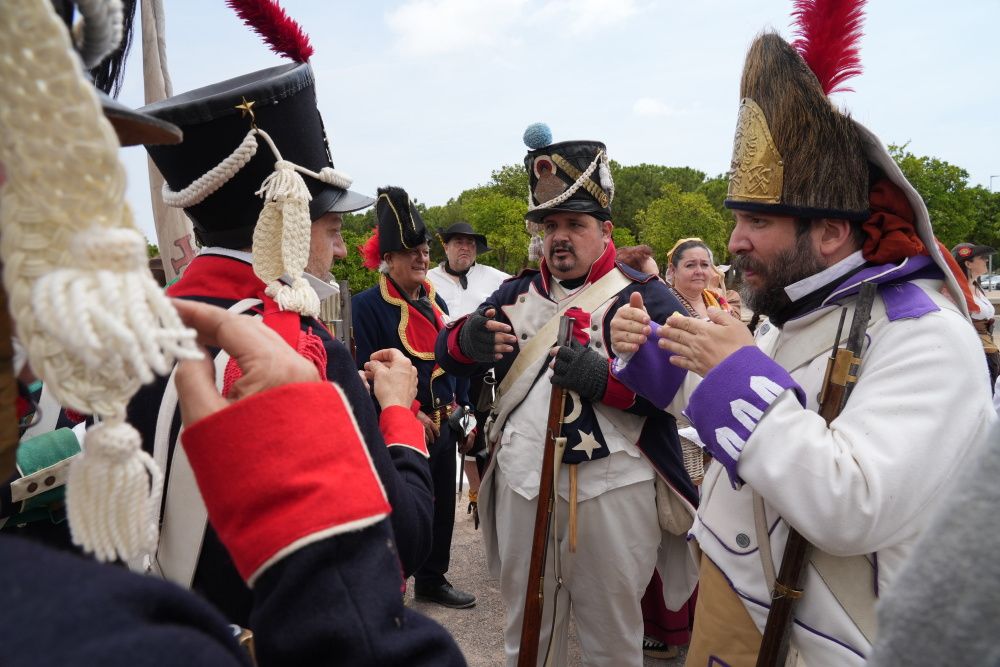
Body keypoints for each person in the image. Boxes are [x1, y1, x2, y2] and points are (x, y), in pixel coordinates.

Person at [609, 17, 995, 667]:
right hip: (742, 615)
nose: (734, 241)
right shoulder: (800, 310)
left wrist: (734, 372)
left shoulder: (926, 334)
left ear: (831, 233)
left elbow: (849, 501)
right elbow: (756, 418)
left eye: (757, 219)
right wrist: (646, 352)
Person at [131, 17, 434, 625]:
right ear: (285, 221)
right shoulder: (301, 350)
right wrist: (399, 411)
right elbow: (404, 536)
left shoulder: (137, 323)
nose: (342, 250)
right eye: (331, 228)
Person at [436, 125, 698, 666]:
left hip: (613, 492)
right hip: (524, 487)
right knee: (527, 637)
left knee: (611, 641)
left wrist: (606, 382)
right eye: (549, 224)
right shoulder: (515, 293)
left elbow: (690, 392)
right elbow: (447, 349)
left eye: (574, 224)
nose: (559, 237)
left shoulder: (648, 296)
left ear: (605, 231)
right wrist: (465, 340)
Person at [353, 188, 477, 610]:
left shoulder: (436, 301)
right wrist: (408, 414)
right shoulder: (365, 306)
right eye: (412, 253)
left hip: (444, 422)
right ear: (387, 259)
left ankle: (432, 577)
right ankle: (393, 583)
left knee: (440, 509)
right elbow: (369, 373)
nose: (422, 260)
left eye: (425, 252)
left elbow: (451, 361)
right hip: (402, 427)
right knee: (402, 508)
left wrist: (463, 409)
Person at [427, 221, 510, 527]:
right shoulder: (428, 280)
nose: (465, 248)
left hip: (487, 370)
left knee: (491, 430)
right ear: (446, 247)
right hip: (445, 369)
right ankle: (476, 490)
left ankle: (494, 492)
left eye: (471, 244)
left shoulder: (497, 279)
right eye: (459, 242)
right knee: (466, 431)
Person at [951, 243, 998, 389]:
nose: (987, 260)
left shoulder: (976, 287)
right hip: (974, 355)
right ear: (968, 263)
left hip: (989, 351)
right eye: (982, 258)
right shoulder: (954, 292)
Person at [664, 238, 738, 320]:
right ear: (672, 270)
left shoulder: (717, 300)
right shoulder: (663, 304)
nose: (699, 271)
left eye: (704, 265)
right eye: (690, 265)